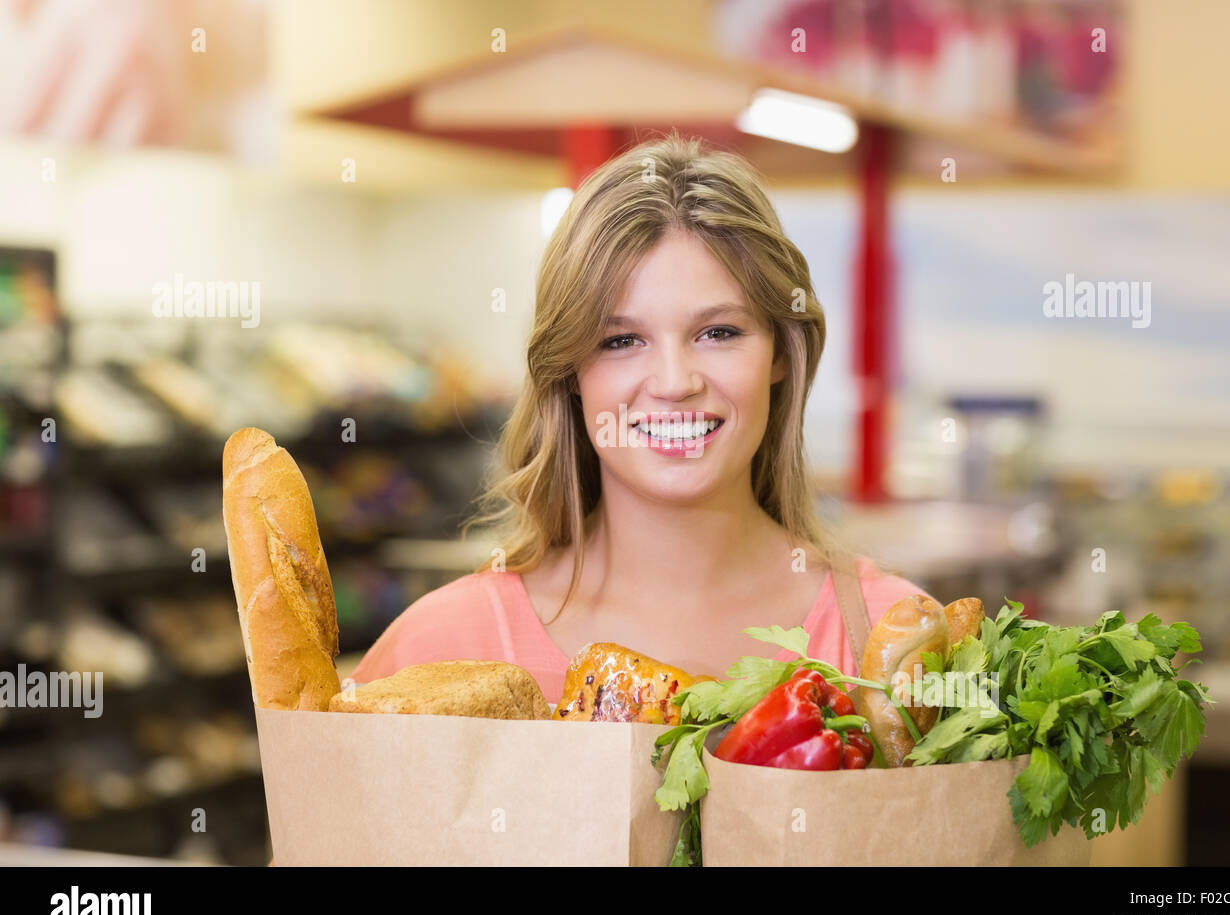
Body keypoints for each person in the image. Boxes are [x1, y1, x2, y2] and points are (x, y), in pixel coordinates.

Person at [349, 131, 932, 703]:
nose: (676, 383)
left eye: (718, 332)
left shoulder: (898, 643)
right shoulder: (437, 650)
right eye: (622, 340)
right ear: (569, 373)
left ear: (781, 353)